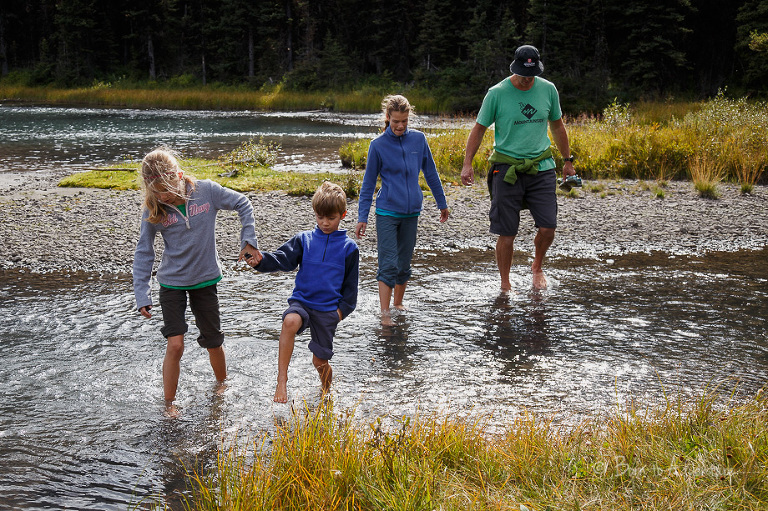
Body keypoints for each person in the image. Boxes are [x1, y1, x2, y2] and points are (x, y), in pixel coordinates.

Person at [133, 147, 260, 417]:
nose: (165, 196)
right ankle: (169, 404)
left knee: (213, 340)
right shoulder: (153, 209)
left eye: (168, 189)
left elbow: (243, 203)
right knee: (175, 343)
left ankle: (221, 387)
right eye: (158, 193)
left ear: (180, 175)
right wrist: (141, 293)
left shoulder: (206, 191)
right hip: (172, 284)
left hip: (205, 280)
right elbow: (144, 252)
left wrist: (248, 240)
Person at [461, 44, 575, 291]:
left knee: (548, 227)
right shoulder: (497, 93)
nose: (527, 80)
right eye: (523, 74)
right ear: (515, 68)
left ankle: (537, 266)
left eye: (531, 75)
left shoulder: (548, 90)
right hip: (506, 167)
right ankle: (505, 284)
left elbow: (557, 125)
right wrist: (467, 164)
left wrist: (567, 160)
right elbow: (479, 128)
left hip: (541, 166)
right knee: (507, 232)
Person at [245, 181, 359, 403]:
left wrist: (339, 314)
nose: (325, 223)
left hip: (327, 311)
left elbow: (350, 290)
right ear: (314, 213)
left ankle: (326, 395)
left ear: (343, 214)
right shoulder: (303, 240)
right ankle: (281, 381)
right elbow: (282, 259)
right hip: (302, 302)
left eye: (331, 218)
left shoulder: (349, 248)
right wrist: (259, 261)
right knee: (290, 321)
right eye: (320, 217)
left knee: (320, 362)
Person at [355, 94, 449, 322]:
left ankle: (398, 303)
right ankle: (385, 313)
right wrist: (362, 217)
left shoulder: (418, 140)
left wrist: (442, 203)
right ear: (388, 117)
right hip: (387, 212)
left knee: (404, 264)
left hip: (411, 212)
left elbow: (431, 174)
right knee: (388, 264)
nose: (400, 126)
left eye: (404, 121)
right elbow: (368, 184)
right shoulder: (378, 145)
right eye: (396, 121)